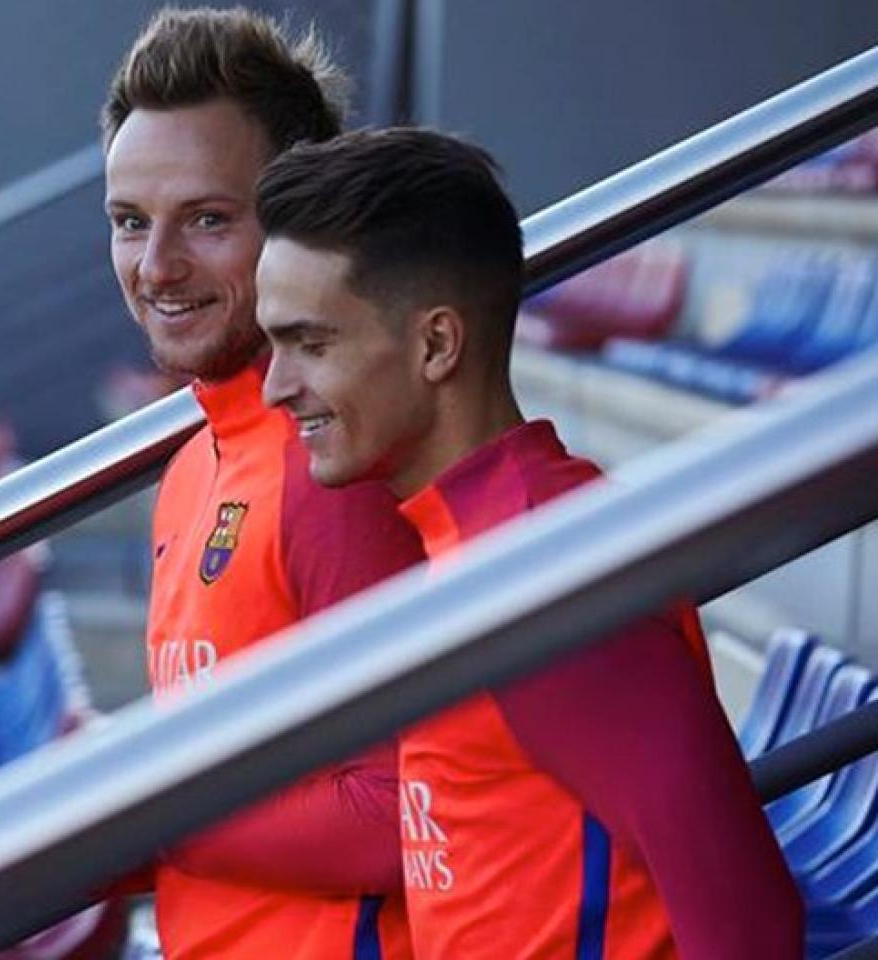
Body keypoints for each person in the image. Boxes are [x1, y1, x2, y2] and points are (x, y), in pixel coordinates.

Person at [255, 127, 803, 958]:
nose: (276, 387)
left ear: (436, 345)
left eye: (311, 344)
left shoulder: (544, 575)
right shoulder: (476, 535)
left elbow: (748, 925)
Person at [101, 9, 424, 957]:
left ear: (298, 223)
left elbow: (403, 812)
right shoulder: (194, 464)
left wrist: (144, 814)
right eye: (130, 222)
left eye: (208, 220)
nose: (157, 267)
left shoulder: (335, 468)